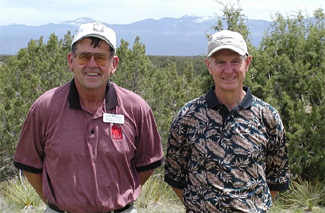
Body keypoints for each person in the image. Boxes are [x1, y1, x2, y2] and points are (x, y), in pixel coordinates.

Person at [14, 21, 164, 213]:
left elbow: (147, 165)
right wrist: (59, 203)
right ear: (71, 61)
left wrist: (117, 197)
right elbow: (30, 164)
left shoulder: (136, 108)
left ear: (113, 64)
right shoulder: (45, 107)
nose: (92, 65)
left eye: (101, 58)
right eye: (84, 56)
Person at [164, 30, 290, 212]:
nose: (228, 70)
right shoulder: (189, 116)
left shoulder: (267, 116)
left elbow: (276, 177)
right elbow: (175, 176)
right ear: (209, 65)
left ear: (247, 63)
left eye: (235, 61)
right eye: (221, 62)